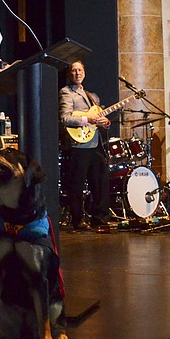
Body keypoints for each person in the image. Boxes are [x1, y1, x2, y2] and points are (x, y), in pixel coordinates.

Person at [58, 60, 111, 230]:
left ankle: (100, 218)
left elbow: (98, 120)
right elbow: (65, 118)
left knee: (100, 182)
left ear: (84, 72)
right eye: (74, 70)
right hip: (78, 145)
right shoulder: (66, 92)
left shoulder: (92, 97)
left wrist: (105, 122)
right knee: (77, 184)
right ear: (69, 74)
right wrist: (87, 119)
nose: (77, 73)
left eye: (80, 70)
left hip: (95, 143)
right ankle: (77, 219)